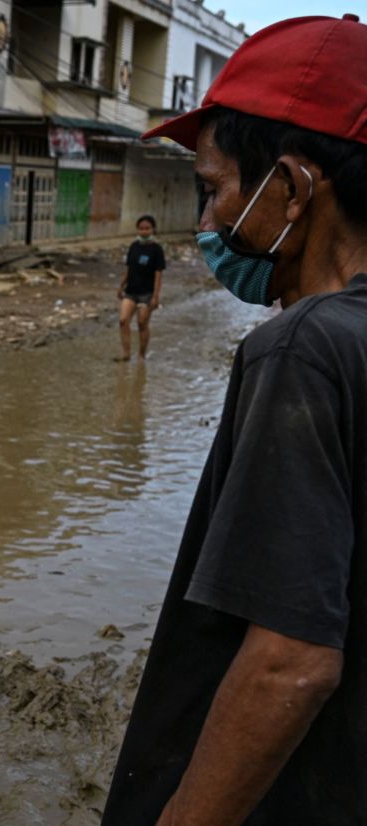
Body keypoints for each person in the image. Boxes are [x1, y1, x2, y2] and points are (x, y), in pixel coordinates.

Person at [103, 14, 367, 825]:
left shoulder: (302, 351)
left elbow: (289, 661)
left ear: (290, 186)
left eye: (216, 189)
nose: (210, 224)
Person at [115, 214, 165, 361]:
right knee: (123, 320)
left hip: (147, 294)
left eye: (147, 228)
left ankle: (142, 355)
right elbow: (129, 268)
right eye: (141, 228)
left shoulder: (157, 250)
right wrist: (121, 286)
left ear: (153, 229)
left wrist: (155, 296)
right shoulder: (134, 246)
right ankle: (126, 353)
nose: (144, 231)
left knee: (142, 323)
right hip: (131, 291)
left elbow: (158, 275)